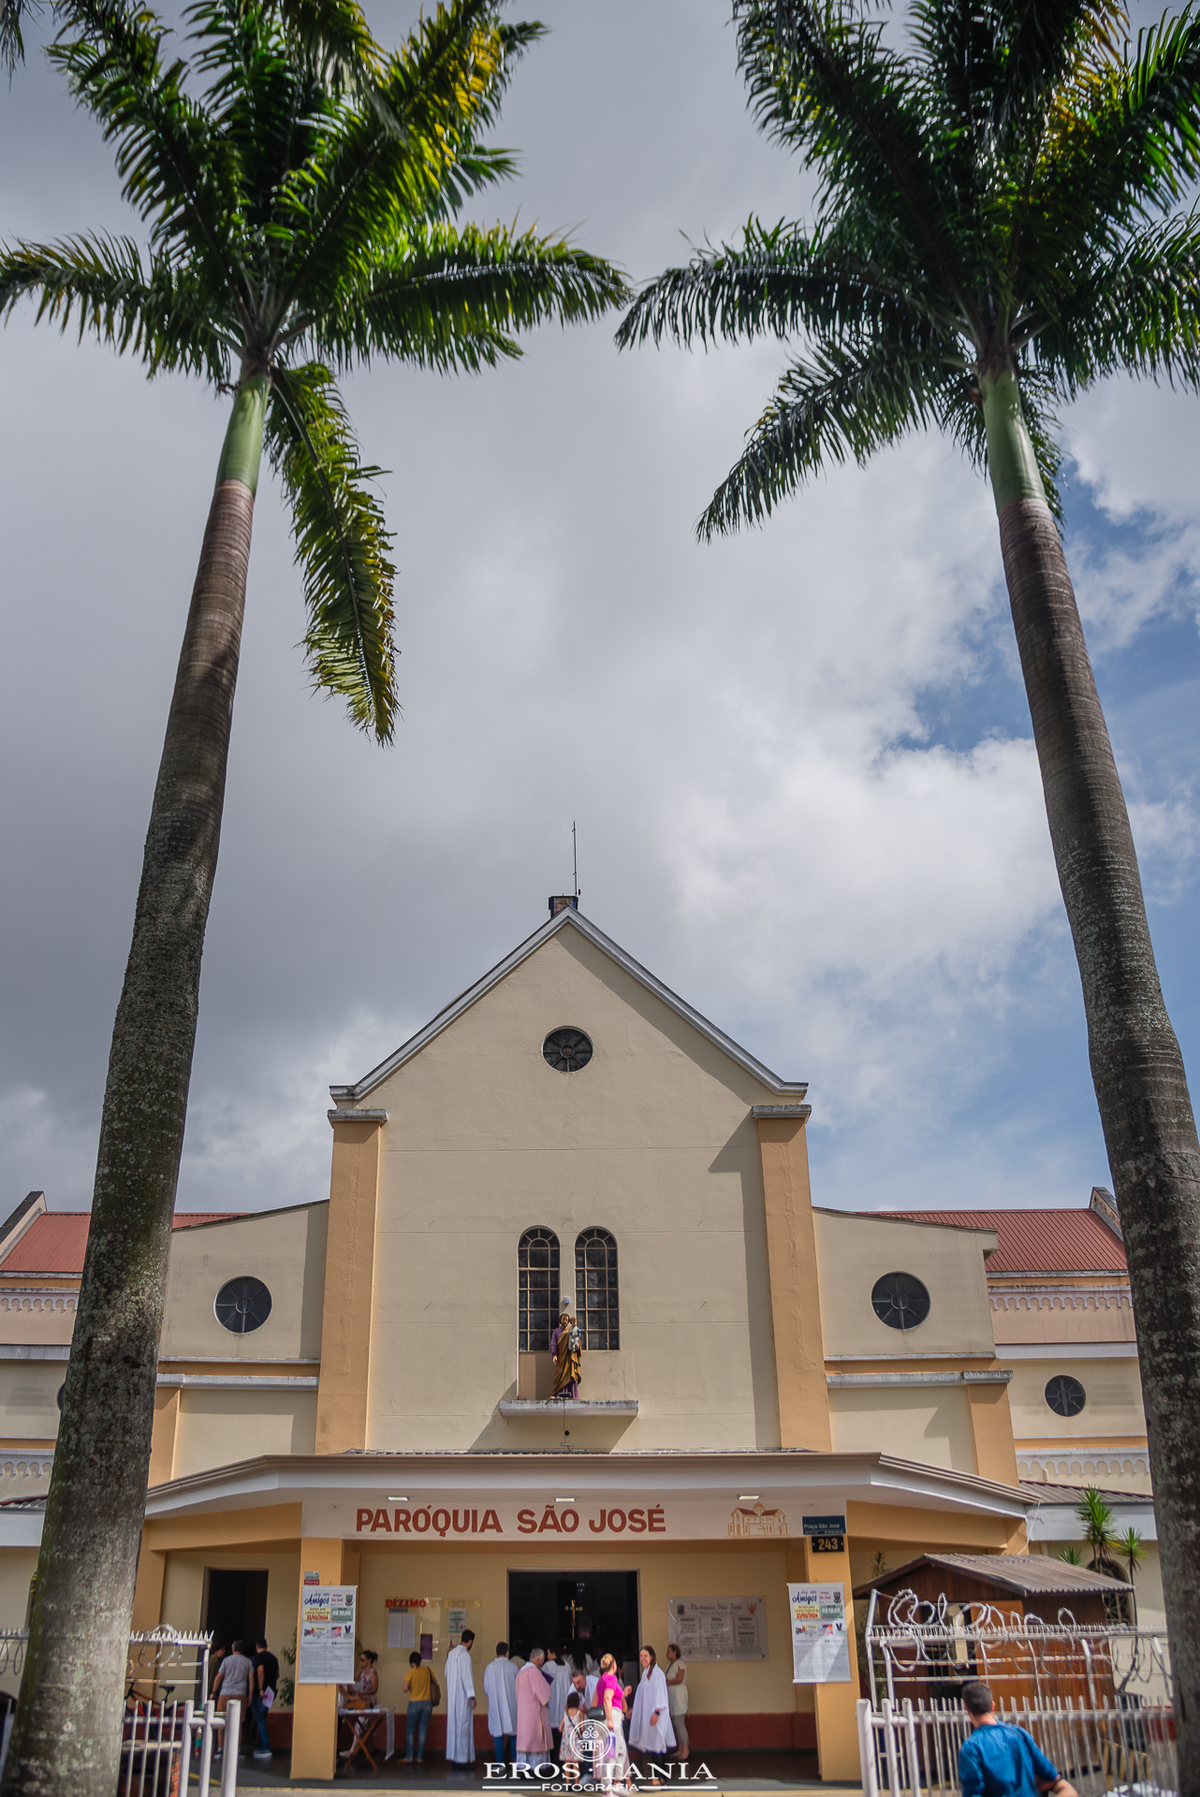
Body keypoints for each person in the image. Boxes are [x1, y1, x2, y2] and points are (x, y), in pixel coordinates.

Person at [958, 1681, 1079, 1797]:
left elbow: (972, 1792)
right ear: (992, 1705)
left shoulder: (971, 1748)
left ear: (967, 1709)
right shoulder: (1019, 1733)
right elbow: (1049, 1774)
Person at [594, 1652, 632, 1792]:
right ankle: (607, 1789)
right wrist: (610, 1719)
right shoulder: (611, 1678)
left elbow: (612, 1698)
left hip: (611, 1717)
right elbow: (607, 1699)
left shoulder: (602, 1680)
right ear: (614, 1665)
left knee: (620, 1751)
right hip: (612, 1718)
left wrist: (624, 1693)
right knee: (611, 1755)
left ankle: (617, 1783)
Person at [629, 1646, 675, 1759]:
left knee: (658, 1746)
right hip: (648, 1715)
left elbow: (660, 1694)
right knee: (654, 1747)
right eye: (641, 1656)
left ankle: (660, 1776)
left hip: (656, 1715)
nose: (643, 1658)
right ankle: (660, 1776)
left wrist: (657, 1712)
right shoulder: (646, 1673)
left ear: (652, 1657)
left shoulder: (657, 1673)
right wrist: (634, 1710)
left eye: (646, 1656)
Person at [211, 1638, 253, 1755]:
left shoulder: (226, 1660)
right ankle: (237, 1748)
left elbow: (219, 1676)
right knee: (238, 1722)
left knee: (221, 1722)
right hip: (240, 1694)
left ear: (232, 1649)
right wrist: (250, 1695)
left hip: (224, 1693)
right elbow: (251, 1679)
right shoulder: (248, 1662)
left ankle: (220, 1748)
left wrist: (214, 1691)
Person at [337, 1649, 379, 1764]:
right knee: (364, 1726)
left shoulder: (373, 1672)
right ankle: (373, 1749)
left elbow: (374, 1688)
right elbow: (349, 1678)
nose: (361, 1662)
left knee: (359, 1725)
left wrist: (362, 1693)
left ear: (369, 1661)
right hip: (361, 1700)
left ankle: (352, 1750)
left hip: (368, 1701)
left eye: (363, 1660)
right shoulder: (361, 1672)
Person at [515, 1648, 553, 1768]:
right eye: (542, 1660)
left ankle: (523, 1766)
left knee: (525, 1739)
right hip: (534, 1711)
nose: (542, 1663)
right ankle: (535, 1767)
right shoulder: (534, 1672)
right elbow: (542, 1691)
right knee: (535, 1738)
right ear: (538, 1659)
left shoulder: (521, 1671)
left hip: (523, 1710)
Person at [444, 1630, 477, 1767]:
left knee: (453, 1728)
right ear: (470, 1642)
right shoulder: (464, 1656)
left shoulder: (451, 1654)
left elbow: (446, 1673)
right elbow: (467, 1677)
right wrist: (472, 1696)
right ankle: (462, 1761)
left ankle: (453, 1757)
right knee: (463, 1728)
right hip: (462, 1697)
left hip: (452, 1697)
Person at [483, 1640, 518, 1767]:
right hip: (512, 1705)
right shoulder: (513, 1667)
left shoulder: (489, 1667)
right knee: (514, 1733)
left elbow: (486, 1688)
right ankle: (516, 1761)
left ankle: (500, 1764)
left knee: (497, 1734)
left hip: (495, 1705)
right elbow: (518, 1687)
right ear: (507, 1652)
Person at [402, 1650, 434, 1764]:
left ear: (411, 1662)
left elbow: (405, 1689)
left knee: (410, 1730)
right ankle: (419, 1757)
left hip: (414, 1703)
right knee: (422, 1730)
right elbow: (434, 1682)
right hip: (427, 1703)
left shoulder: (410, 1673)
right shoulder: (427, 1670)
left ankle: (409, 1756)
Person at [250, 1636, 279, 1762]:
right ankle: (261, 1746)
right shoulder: (274, 1658)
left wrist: (261, 1688)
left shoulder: (259, 1658)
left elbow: (260, 1671)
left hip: (261, 1693)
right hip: (271, 1692)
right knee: (263, 1718)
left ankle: (266, 1747)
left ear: (257, 1647)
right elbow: (278, 1675)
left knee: (260, 1719)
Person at [550, 1304, 583, 1399]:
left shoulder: (571, 1330)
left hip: (570, 1356)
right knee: (559, 1375)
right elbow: (553, 1344)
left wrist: (576, 1348)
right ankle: (558, 1393)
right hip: (561, 1357)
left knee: (571, 1374)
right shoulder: (556, 1331)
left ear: (568, 1321)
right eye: (563, 1319)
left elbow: (577, 1340)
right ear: (560, 1320)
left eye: (566, 1319)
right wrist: (554, 1355)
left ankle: (571, 1393)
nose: (564, 1321)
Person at [664, 1643, 688, 1761]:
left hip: (679, 1697)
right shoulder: (671, 1665)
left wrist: (668, 1683)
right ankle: (680, 1749)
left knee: (680, 1723)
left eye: (669, 1651)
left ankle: (686, 1749)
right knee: (676, 1723)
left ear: (675, 1652)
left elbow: (679, 1679)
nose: (667, 1653)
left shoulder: (679, 1664)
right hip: (673, 1698)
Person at [548, 1649, 574, 1755]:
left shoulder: (548, 1665)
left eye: (548, 1653)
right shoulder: (567, 1665)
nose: (547, 1656)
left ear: (553, 1654)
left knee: (552, 1728)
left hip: (552, 1700)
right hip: (565, 1700)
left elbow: (544, 1682)